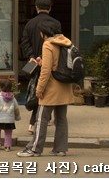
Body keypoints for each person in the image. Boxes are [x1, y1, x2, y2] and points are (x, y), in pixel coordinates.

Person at [17, 20, 73, 157]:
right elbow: (57, 63)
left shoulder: (48, 44)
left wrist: (39, 89)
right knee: (61, 119)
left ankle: (34, 148)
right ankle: (60, 149)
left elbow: (46, 71)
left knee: (41, 119)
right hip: (64, 86)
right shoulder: (66, 42)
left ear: (44, 33)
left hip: (51, 88)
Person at [20, 0, 61, 133]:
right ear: (50, 8)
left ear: (36, 8)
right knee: (44, 91)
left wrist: (31, 57)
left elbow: (24, 42)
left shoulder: (30, 24)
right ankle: (35, 121)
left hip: (34, 64)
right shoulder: (56, 24)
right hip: (51, 62)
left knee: (38, 90)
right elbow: (58, 44)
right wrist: (44, 57)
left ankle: (38, 120)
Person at [0, 79, 21, 152]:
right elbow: (16, 109)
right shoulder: (13, 99)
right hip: (9, 121)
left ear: (0, 88)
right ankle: (7, 146)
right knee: (8, 133)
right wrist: (18, 117)